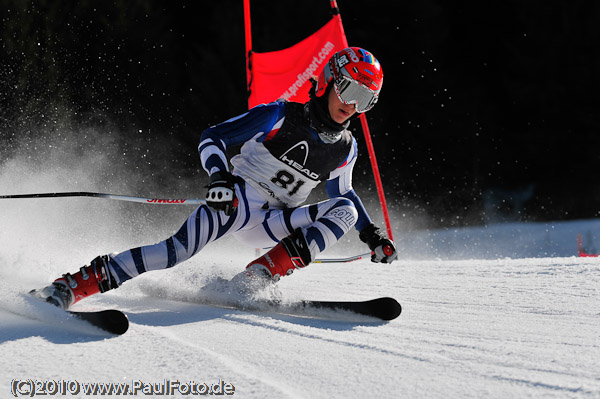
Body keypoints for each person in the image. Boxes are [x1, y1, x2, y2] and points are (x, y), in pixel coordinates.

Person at [32, 47, 398, 310]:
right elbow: (213, 136)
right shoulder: (280, 115)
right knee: (174, 252)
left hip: (274, 223)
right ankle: (71, 287)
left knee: (344, 210)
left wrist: (372, 235)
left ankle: (255, 279)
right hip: (236, 204)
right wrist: (220, 178)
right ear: (328, 81)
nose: (352, 105)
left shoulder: (345, 148)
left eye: (366, 99)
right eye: (349, 90)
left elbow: (342, 193)